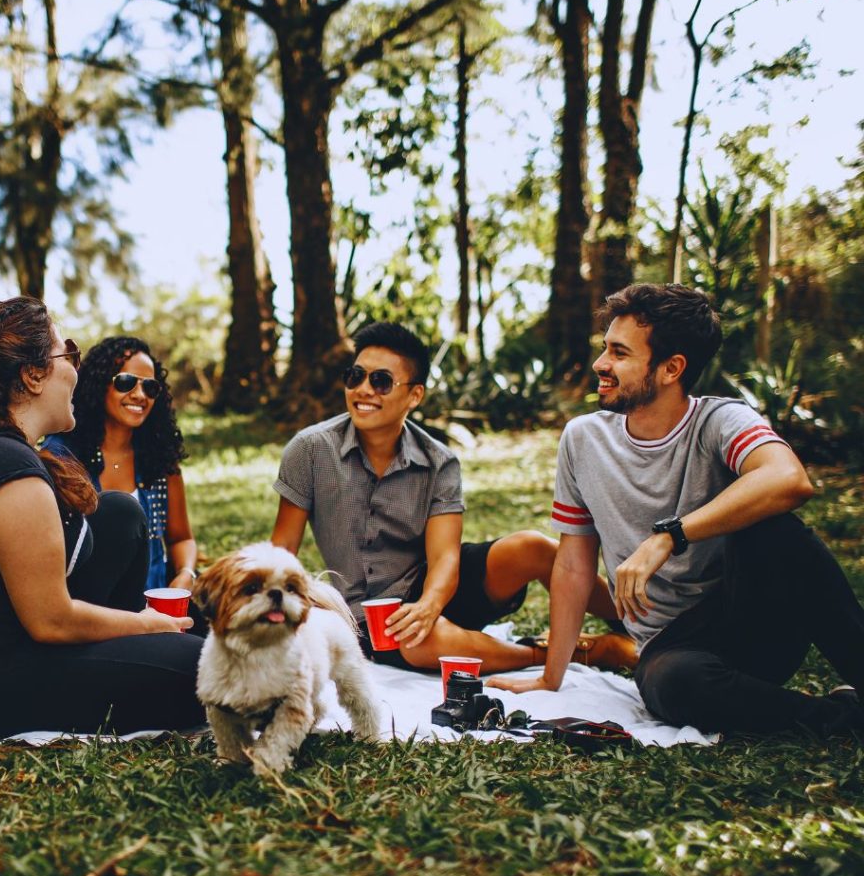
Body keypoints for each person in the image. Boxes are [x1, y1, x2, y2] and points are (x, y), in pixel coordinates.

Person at [489, 283, 864, 737]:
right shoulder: (583, 439)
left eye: (619, 353)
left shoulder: (721, 420)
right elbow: (572, 564)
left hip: (750, 619)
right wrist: (552, 677)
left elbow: (789, 479)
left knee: (777, 531)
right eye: (605, 348)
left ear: (671, 368)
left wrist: (669, 536)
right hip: (671, 648)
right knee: (674, 685)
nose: (600, 364)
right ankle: (841, 719)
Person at [0, 297, 206, 738]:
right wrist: (149, 624)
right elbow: (51, 621)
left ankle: (138, 651)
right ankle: (146, 652)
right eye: (67, 353)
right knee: (203, 669)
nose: (76, 368)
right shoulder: (2, 466)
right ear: (33, 375)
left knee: (119, 513)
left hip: (3, 638)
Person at [270, 320, 635, 673]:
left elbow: (445, 557)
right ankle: (576, 652)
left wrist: (429, 605)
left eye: (380, 381)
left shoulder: (439, 461)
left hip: (434, 586)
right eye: (355, 376)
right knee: (420, 641)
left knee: (532, 547)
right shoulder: (310, 451)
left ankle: (638, 625)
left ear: (414, 395)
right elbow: (282, 550)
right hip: (368, 616)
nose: (363, 389)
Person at [43, 336, 198, 594]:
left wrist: (186, 574)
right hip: (91, 609)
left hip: (157, 606)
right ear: (98, 385)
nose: (139, 395)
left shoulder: (159, 458)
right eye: (125, 382)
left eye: (150, 387)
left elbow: (181, 538)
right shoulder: (62, 456)